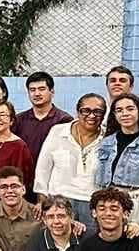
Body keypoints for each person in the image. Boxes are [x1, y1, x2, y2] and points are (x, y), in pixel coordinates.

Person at [95, 93, 139, 237]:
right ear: (114, 115)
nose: (125, 114)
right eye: (119, 110)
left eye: (130, 109)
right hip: (112, 204)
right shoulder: (105, 143)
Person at [35, 93, 106, 228]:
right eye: (86, 110)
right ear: (77, 112)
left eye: (97, 112)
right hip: (59, 201)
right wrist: (42, 200)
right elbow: (43, 168)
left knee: (90, 240)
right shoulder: (58, 132)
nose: (91, 116)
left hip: (92, 203)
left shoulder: (108, 139)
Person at [0, 101, 35, 206]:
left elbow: (23, 180)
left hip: (5, 202)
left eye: (3, 115)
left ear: (11, 121)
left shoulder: (19, 146)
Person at [13, 72, 72, 165]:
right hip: (24, 171)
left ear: (52, 92)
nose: (37, 94)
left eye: (42, 89)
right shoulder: (19, 120)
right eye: (32, 90)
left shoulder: (64, 120)